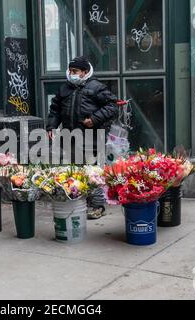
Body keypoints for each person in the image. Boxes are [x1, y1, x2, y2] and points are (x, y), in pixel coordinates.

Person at [46, 56, 119, 219]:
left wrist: (94, 119)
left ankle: (97, 206)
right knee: (73, 172)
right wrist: (51, 125)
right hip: (70, 138)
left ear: (84, 72)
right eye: (70, 71)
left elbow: (112, 106)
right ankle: (77, 202)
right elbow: (55, 109)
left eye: (75, 71)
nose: (71, 73)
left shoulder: (96, 87)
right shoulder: (65, 89)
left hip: (91, 139)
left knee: (93, 173)